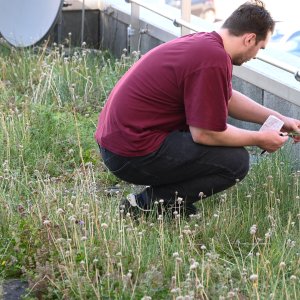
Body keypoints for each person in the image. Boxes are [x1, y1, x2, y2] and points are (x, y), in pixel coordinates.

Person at [95, 0, 300, 217]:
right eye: (260, 48)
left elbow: (227, 98)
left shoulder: (205, 44)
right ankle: (148, 205)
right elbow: (206, 134)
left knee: (227, 153)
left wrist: (281, 119)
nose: (256, 55)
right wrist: (260, 139)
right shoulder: (213, 58)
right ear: (249, 38)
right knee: (235, 162)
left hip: (119, 144)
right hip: (130, 154)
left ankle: (167, 202)